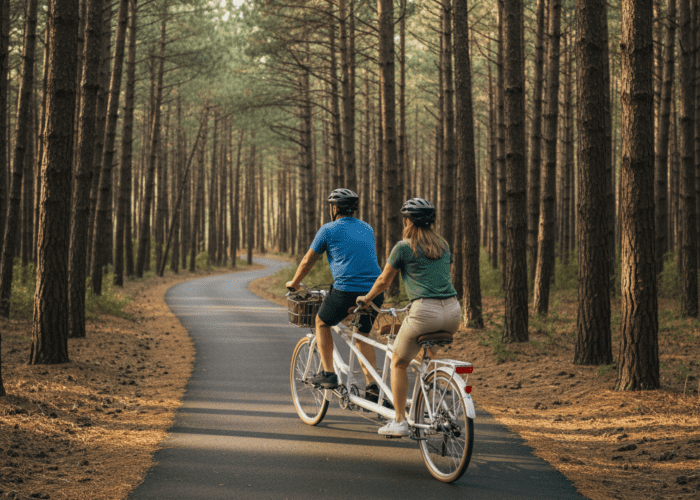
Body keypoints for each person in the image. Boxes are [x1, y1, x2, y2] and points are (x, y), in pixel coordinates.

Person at [356, 198, 461, 437]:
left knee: (398, 361)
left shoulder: (404, 247)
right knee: (425, 355)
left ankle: (400, 420)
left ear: (408, 221)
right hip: (453, 312)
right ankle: (433, 398)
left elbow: (383, 281)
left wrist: (367, 299)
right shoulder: (443, 245)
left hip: (425, 312)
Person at [286, 188, 386, 403]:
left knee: (322, 322)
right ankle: (372, 387)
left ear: (334, 208)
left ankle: (329, 374)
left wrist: (293, 284)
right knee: (361, 335)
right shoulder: (366, 228)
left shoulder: (328, 229)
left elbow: (307, 261)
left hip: (347, 290)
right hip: (375, 292)